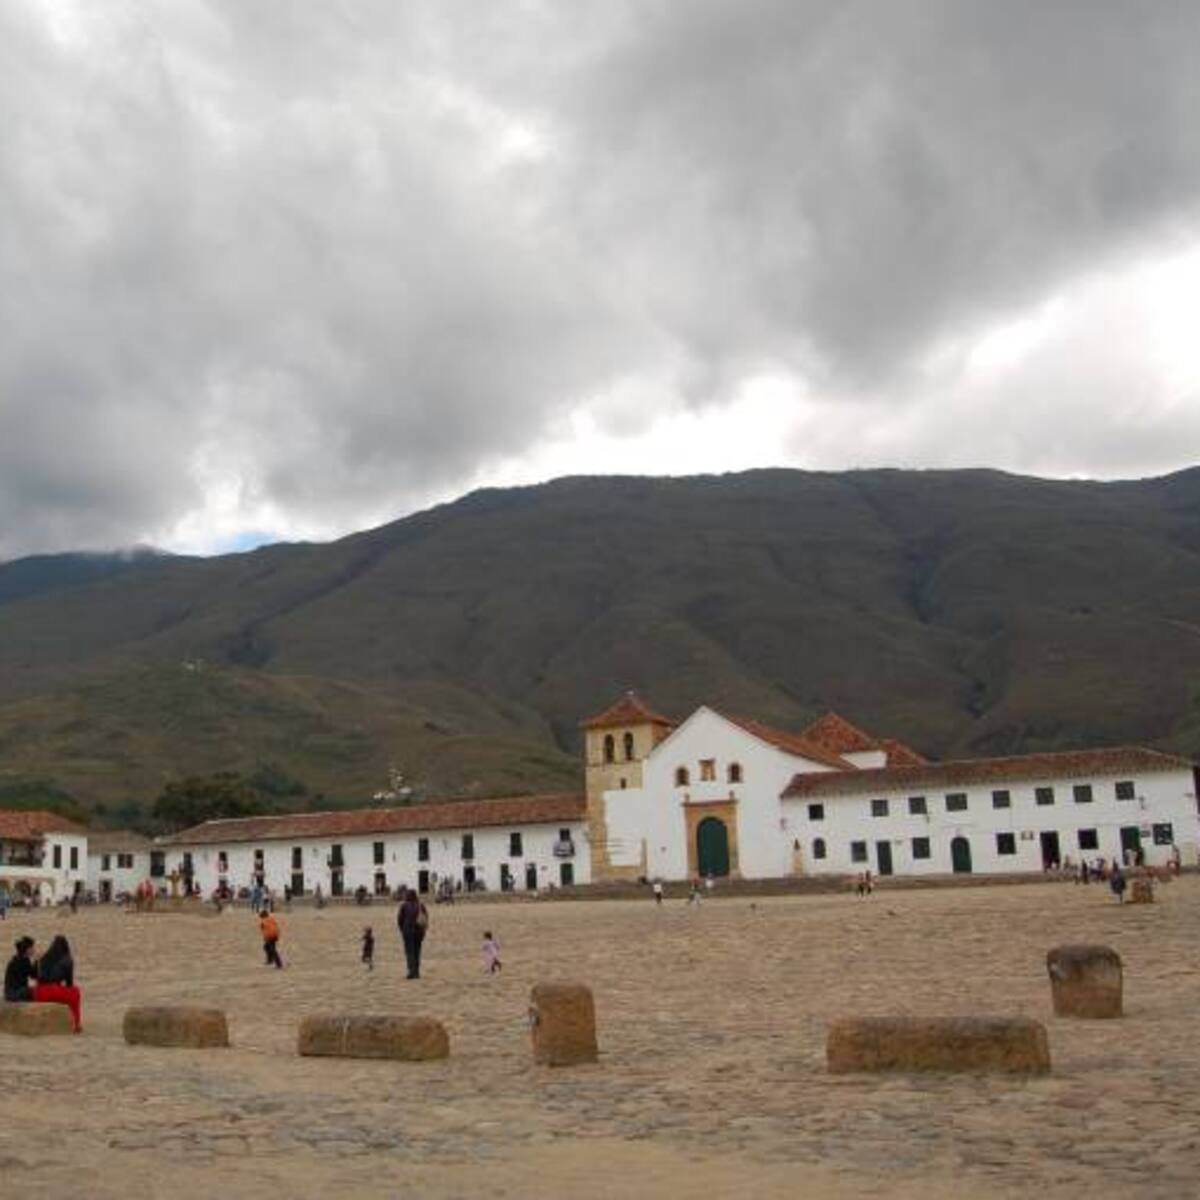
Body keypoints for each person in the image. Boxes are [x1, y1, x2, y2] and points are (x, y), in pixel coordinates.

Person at [33, 934, 83, 1032]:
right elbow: (69, 983)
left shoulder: (45, 957)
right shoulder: (67, 960)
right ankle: (76, 1024)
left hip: (39, 991)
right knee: (75, 992)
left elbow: (37, 977)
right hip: (53, 990)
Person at [397, 888, 428, 980]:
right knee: (417, 952)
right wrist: (423, 931)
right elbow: (425, 919)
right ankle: (417, 972)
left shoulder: (404, 906)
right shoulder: (421, 905)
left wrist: (402, 930)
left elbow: (399, 919)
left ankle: (411, 971)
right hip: (419, 932)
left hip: (408, 931)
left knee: (409, 952)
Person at [4, 936, 37, 1003]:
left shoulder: (19, 959)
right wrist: (37, 961)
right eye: (31, 948)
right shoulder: (22, 962)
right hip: (14, 994)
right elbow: (34, 975)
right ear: (27, 949)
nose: (33, 950)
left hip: (11, 992)